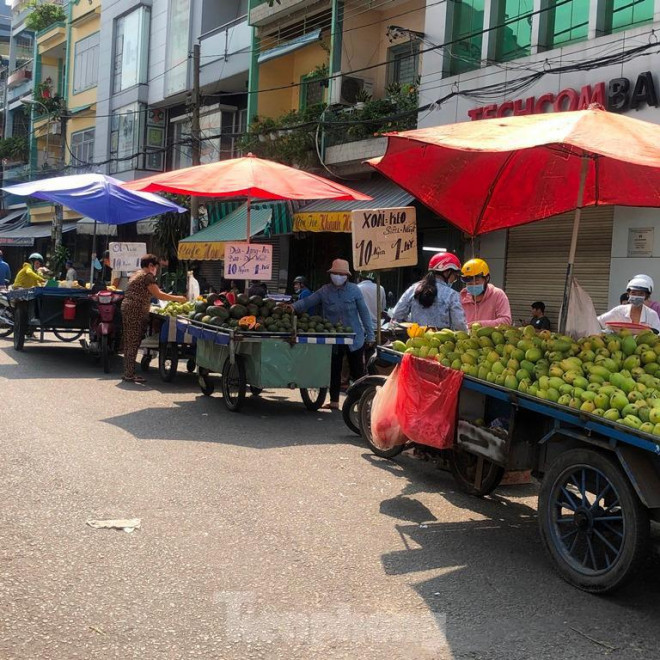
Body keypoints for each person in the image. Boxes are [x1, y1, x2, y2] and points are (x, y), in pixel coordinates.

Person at [291, 259, 374, 410]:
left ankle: (362, 401)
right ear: (331, 274)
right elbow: (308, 302)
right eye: (335, 273)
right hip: (333, 337)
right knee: (334, 369)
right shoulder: (325, 291)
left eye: (341, 274)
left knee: (357, 372)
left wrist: (370, 335)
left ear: (346, 276)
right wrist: (291, 308)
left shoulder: (355, 290)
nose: (338, 276)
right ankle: (334, 401)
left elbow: (364, 313)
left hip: (354, 338)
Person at [121, 254, 187, 383]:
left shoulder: (137, 274)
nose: (156, 270)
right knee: (133, 342)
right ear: (151, 266)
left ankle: (128, 372)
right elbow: (159, 295)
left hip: (128, 307)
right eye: (156, 267)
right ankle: (129, 374)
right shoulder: (147, 276)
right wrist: (179, 299)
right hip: (135, 309)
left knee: (130, 341)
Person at [392, 253, 467, 330]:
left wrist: (413, 323)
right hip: (442, 341)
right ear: (447, 272)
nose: (454, 280)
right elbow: (459, 324)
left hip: (415, 339)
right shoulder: (452, 295)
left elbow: (397, 314)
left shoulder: (414, 289)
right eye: (455, 276)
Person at [460, 258, 512, 327]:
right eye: (469, 282)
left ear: (486, 278)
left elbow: (506, 321)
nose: (473, 284)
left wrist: (480, 324)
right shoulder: (462, 298)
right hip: (467, 337)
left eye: (477, 281)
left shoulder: (497, 295)